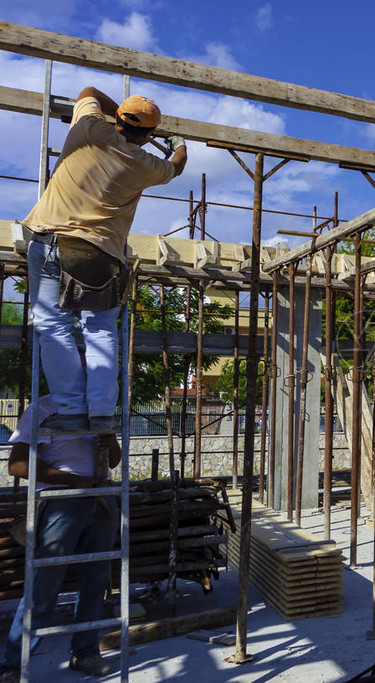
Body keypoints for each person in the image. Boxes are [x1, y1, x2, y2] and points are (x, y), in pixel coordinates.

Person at [22, 86, 188, 435]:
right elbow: (177, 166)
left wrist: (116, 112)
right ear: (149, 134)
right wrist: (178, 142)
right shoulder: (147, 164)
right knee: (99, 330)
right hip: (103, 254)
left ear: (118, 120)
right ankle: (100, 413)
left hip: (53, 238)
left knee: (53, 325)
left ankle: (68, 408)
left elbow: (88, 91)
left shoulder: (90, 129)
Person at [0, 395, 121, 681]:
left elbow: (113, 461)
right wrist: (71, 480)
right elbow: (17, 465)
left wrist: (111, 444)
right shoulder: (42, 408)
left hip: (101, 498)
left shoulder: (99, 408)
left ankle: (86, 652)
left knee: (95, 581)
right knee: (43, 585)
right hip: (61, 501)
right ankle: (13, 664)